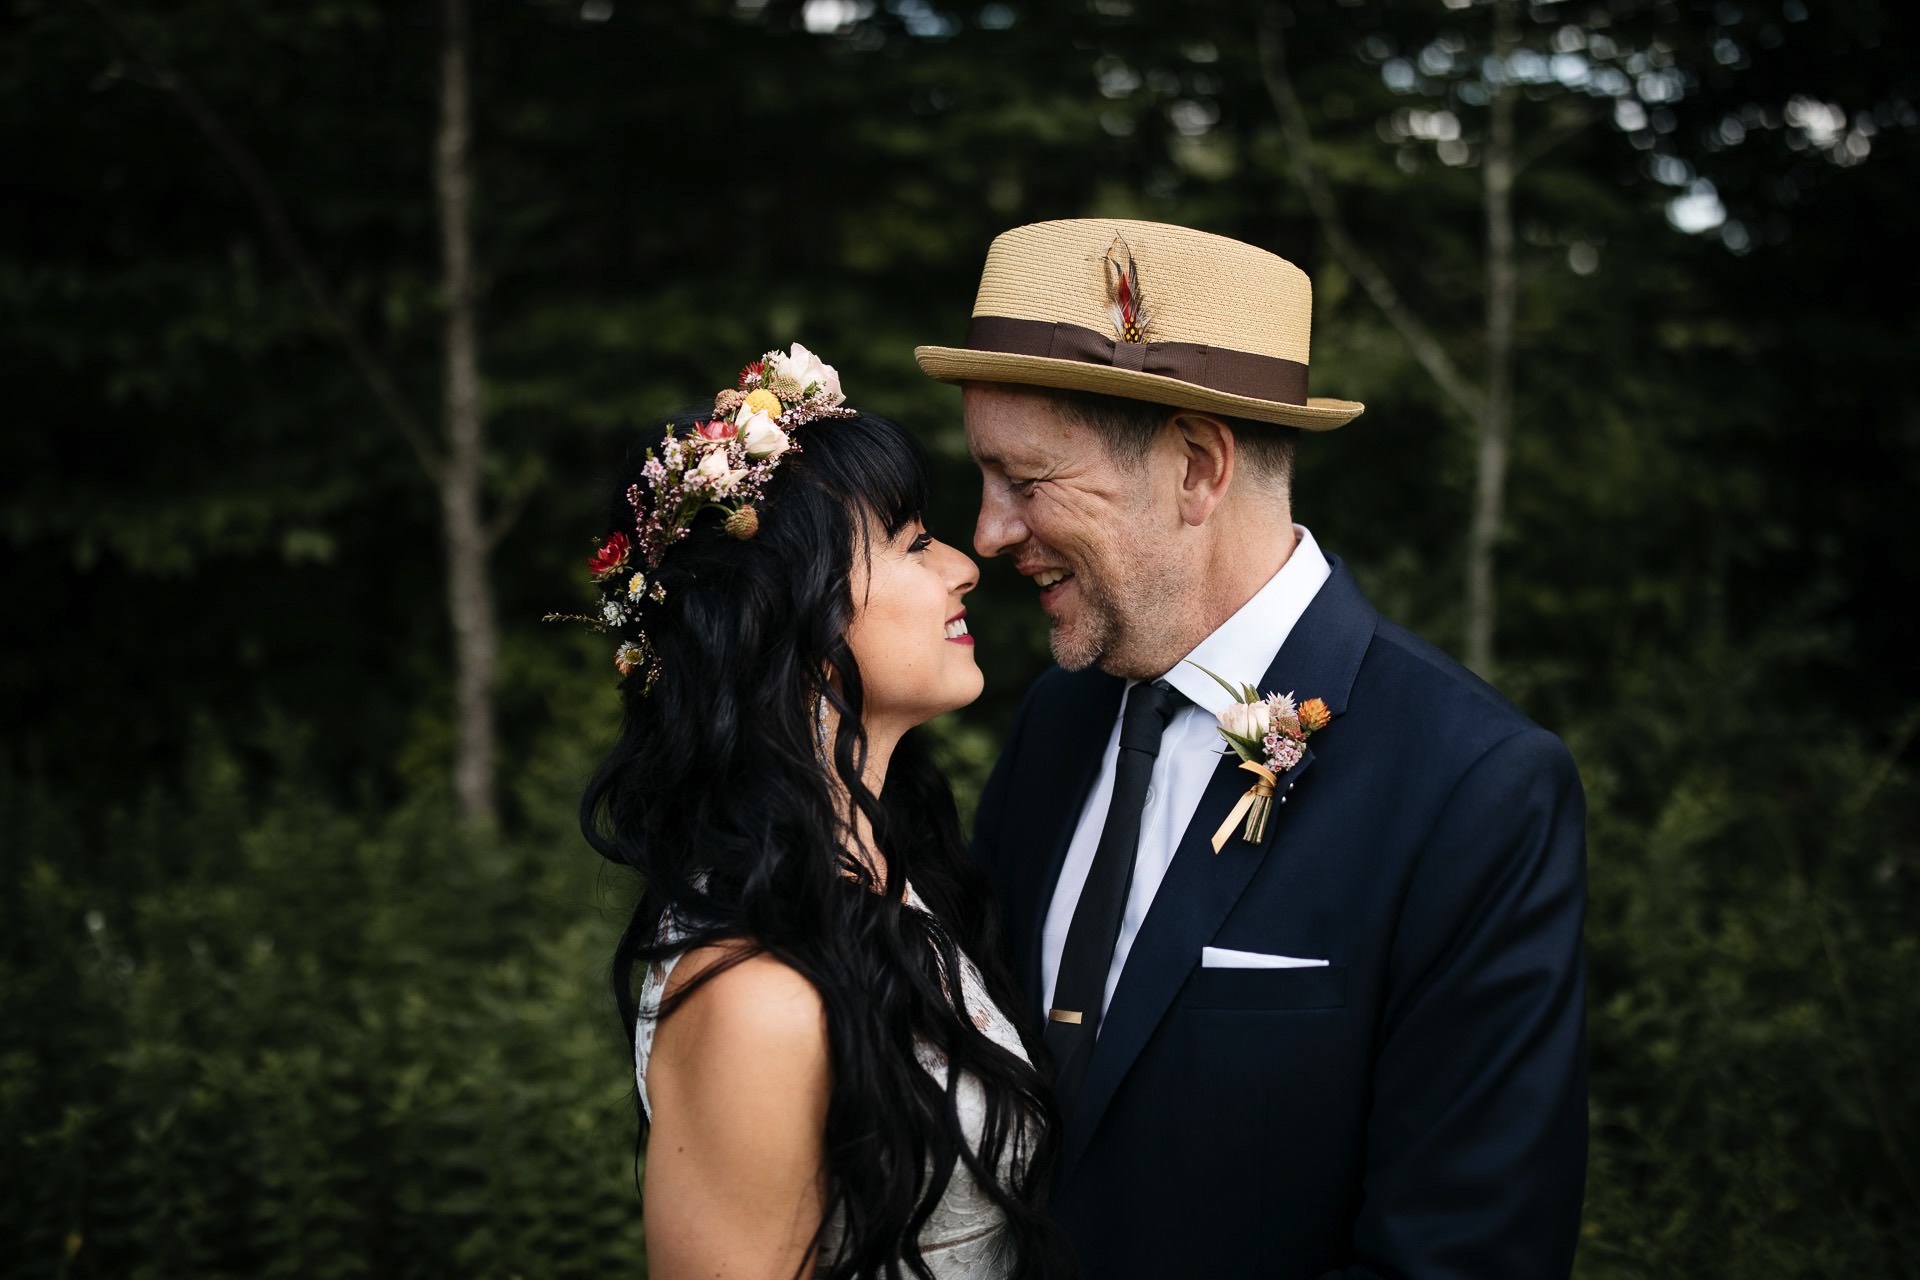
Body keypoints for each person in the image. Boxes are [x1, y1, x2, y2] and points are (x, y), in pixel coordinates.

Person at [915, 220, 1588, 1279]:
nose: (989, 531)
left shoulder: (1474, 786)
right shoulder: (1058, 720)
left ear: (1196, 466)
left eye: (1026, 478)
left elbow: (1464, 1253)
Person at [568, 346, 1072, 1280]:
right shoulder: (753, 993)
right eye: (914, 544)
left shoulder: (903, 873)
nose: (965, 565)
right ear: (788, 618)